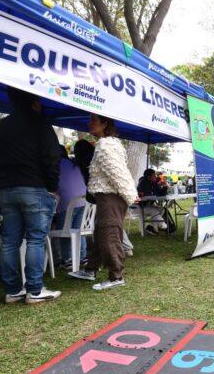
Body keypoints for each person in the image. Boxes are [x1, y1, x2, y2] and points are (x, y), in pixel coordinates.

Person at [0, 87, 62, 304]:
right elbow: (51, 157)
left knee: (10, 241)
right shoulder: (40, 125)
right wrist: (51, 186)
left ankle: (13, 291)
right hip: (34, 188)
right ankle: (35, 290)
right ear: (35, 102)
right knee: (36, 240)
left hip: (6, 190)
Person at [69, 114, 138, 291]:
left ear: (105, 124)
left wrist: (130, 195)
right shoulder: (109, 143)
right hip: (107, 196)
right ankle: (90, 269)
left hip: (110, 197)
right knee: (100, 233)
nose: (89, 123)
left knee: (109, 234)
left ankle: (116, 276)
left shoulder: (106, 144)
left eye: (93, 120)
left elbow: (117, 172)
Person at [52, 146, 87, 268]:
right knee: (78, 231)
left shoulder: (54, 166)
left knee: (64, 231)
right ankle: (82, 256)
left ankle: (67, 259)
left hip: (67, 204)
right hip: (83, 202)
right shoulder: (72, 163)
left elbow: (51, 187)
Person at [137, 168, 169, 234]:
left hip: (147, 205)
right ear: (149, 177)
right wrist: (156, 186)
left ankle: (151, 227)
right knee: (154, 210)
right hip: (139, 206)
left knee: (162, 209)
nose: (156, 177)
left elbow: (159, 194)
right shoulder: (142, 183)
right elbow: (148, 194)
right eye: (154, 175)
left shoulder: (153, 183)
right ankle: (163, 225)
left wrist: (164, 187)